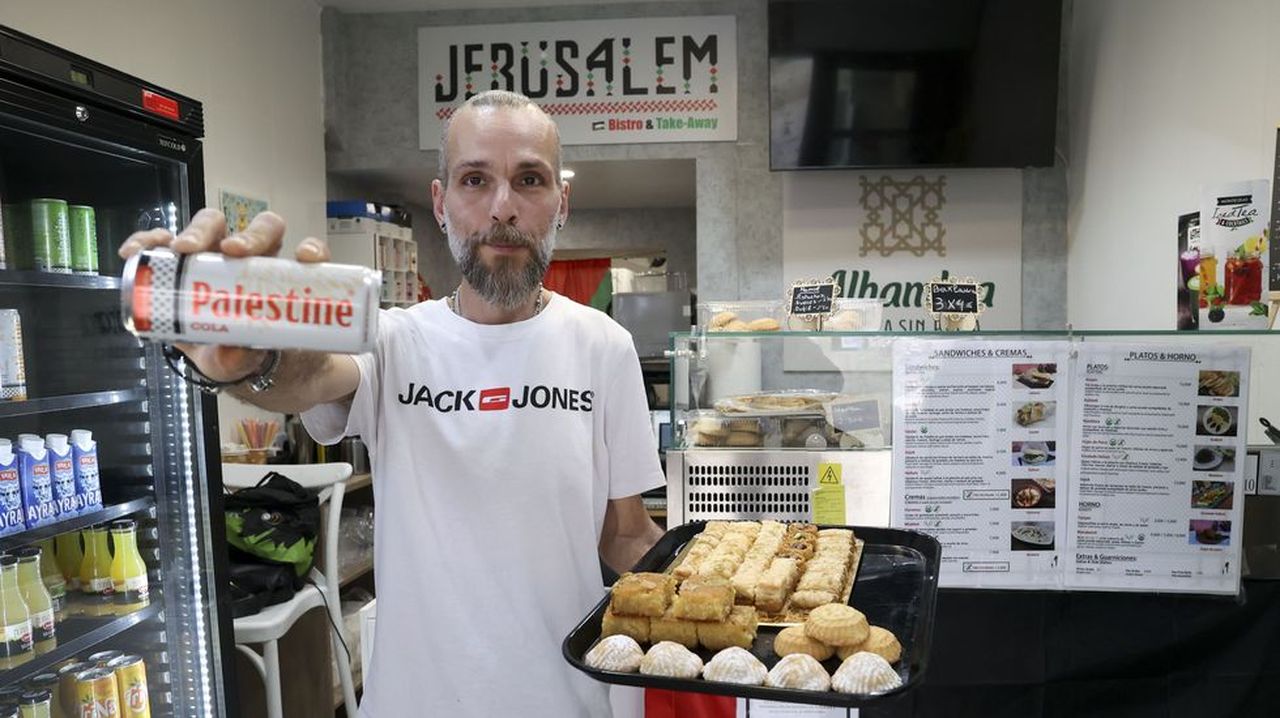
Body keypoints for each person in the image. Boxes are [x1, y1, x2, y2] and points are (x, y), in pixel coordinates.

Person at [119, 90, 667, 717]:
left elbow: (625, 535)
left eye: (530, 179)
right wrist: (254, 359)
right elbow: (307, 374)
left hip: (570, 700)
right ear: (442, 202)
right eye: (475, 179)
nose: (503, 207)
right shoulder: (393, 338)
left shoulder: (604, 345)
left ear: (560, 202)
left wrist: (719, 593)